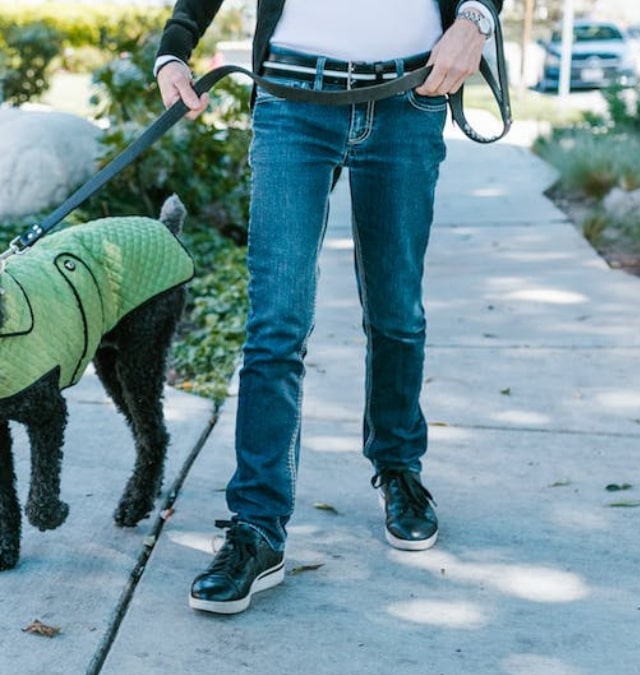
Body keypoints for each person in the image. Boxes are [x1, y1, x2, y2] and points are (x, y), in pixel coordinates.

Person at [154, 0, 504, 615]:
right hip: (293, 100)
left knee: (397, 314)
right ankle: (258, 527)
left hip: (410, 96)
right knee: (275, 327)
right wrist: (175, 46)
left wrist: (474, 20)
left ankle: (399, 468)